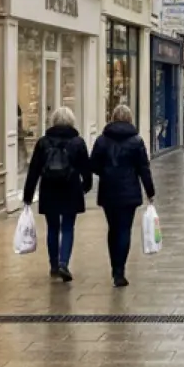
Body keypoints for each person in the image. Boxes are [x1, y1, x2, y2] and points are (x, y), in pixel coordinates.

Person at [22, 106, 91, 282]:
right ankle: (63, 262)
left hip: (49, 189)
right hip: (71, 188)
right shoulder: (78, 142)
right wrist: (86, 185)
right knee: (68, 227)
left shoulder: (43, 142)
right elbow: (86, 168)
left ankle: (53, 265)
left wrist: (28, 195)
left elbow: (34, 170)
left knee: (52, 228)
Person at [89, 103, 155, 288]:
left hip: (108, 190)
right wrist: (150, 191)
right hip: (129, 191)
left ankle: (114, 267)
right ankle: (120, 271)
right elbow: (144, 168)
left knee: (113, 228)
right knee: (125, 229)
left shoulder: (102, 140)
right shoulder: (136, 140)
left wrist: (106, 171)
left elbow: (93, 165)